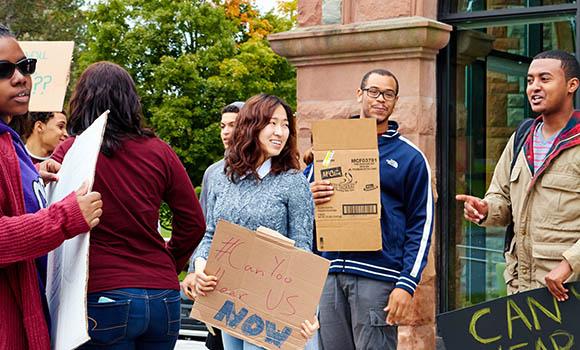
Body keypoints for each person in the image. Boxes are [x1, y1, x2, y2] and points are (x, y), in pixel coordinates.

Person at [51, 61, 206, 349]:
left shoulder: (71, 151)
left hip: (102, 293)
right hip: (163, 297)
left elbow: (49, 217)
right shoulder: (160, 151)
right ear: (131, 101)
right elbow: (194, 222)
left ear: (82, 100)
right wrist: (168, 263)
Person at [182, 94, 319, 350]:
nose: (281, 132)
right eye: (272, 123)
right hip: (229, 301)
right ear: (251, 126)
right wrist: (200, 268)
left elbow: (303, 247)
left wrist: (305, 307)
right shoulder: (222, 178)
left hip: (273, 306)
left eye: (285, 125)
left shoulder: (293, 181)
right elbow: (211, 233)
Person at [310, 69, 434, 350]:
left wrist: (406, 284)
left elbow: (421, 225)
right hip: (329, 275)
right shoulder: (331, 146)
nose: (381, 99)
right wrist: (310, 192)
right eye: (374, 92)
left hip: (376, 277)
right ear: (359, 94)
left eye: (388, 94)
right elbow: (302, 201)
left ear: (396, 101)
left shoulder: (410, 158)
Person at [0, 24, 103, 349]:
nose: (20, 78)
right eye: (4, 70)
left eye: (25, 66)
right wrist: (67, 216)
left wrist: (29, 175)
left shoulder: (10, 140)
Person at [456, 50, 580, 302]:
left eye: (544, 79)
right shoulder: (522, 137)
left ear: (571, 85)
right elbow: (500, 197)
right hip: (521, 289)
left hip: (568, 289)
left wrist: (569, 264)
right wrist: (486, 209)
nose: (534, 87)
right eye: (530, 80)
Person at [182, 101, 244, 350]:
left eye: (233, 126)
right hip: (217, 282)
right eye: (223, 126)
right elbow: (204, 228)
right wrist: (193, 271)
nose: (226, 133)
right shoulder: (213, 173)